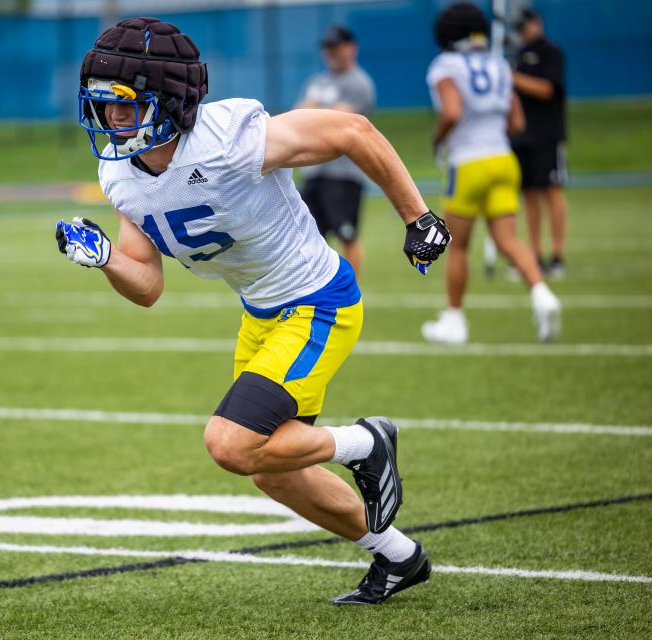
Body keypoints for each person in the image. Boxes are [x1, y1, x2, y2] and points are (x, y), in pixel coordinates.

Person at [56, 17, 451, 605]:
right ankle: (398, 557)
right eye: (102, 106)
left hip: (317, 303)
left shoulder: (227, 139)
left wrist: (418, 217)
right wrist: (108, 257)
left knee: (231, 443)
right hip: (262, 314)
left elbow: (351, 130)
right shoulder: (119, 175)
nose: (110, 120)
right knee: (269, 468)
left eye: (123, 106)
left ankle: (366, 444)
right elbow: (147, 287)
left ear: (169, 99)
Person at [423, 3, 561, 345]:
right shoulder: (499, 63)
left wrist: (438, 139)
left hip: (468, 163)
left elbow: (452, 112)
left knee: (457, 247)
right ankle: (543, 295)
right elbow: (517, 122)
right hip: (503, 158)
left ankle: (455, 319)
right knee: (509, 240)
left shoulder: (445, 65)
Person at [295, 26, 375, 276]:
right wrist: (318, 111)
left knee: (347, 235)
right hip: (314, 172)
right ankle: (316, 287)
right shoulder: (316, 81)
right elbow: (296, 115)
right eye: (327, 47)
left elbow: (337, 121)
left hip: (344, 174)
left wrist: (315, 109)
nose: (331, 52)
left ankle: (350, 292)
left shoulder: (359, 82)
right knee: (308, 237)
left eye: (336, 46)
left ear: (352, 47)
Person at [510, 7, 568, 279]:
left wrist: (514, 78)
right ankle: (534, 254)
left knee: (551, 191)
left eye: (526, 26)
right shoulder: (518, 56)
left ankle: (557, 254)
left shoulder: (550, 52)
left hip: (547, 134)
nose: (523, 32)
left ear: (538, 23)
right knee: (529, 194)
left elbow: (548, 89)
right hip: (523, 137)